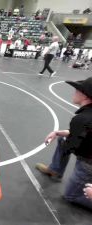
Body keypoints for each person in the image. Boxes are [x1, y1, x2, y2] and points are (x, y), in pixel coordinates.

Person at [36, 77, 92, 210]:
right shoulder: (87, 116)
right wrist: (60, 132)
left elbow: (73, 144)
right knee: (63, 139)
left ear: (84, 95)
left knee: (71, 196)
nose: (74, 92)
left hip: (87, 163)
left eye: (77, 90)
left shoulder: (82, 118)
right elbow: (86, 131)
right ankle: (55, 170)